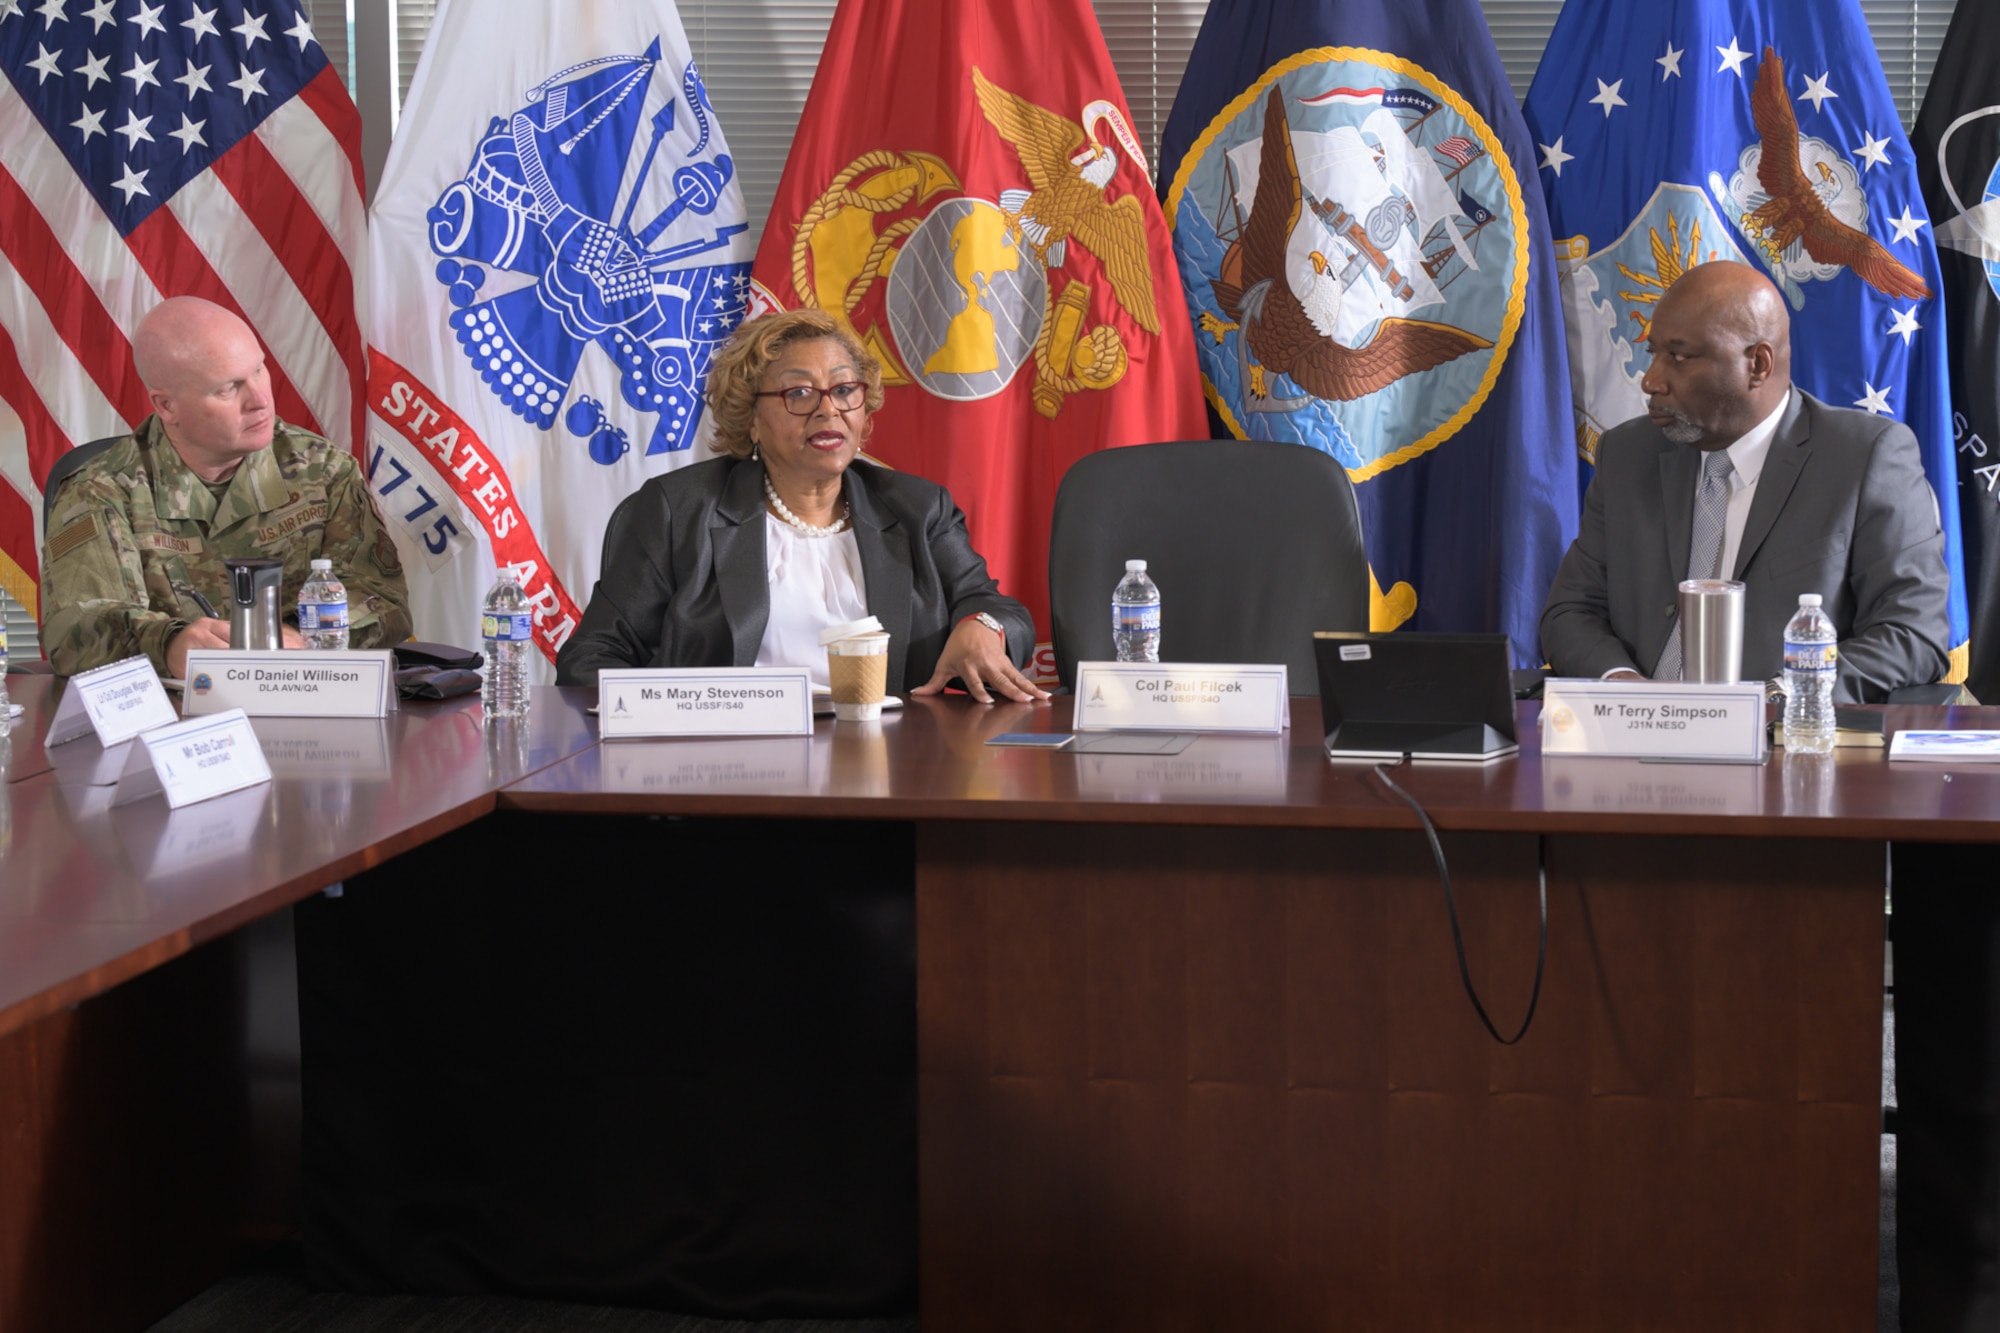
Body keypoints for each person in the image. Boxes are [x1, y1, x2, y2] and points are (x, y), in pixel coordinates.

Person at [556, 308, 1046, 703]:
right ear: (750, 418)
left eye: (843, 390)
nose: (827, 409)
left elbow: (999, 608)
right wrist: (683, 715)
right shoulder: (678, 511)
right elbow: (592, 658)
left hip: (895, 770)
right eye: (799, 393)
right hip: (726, 770)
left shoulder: (918, 508)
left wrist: (982, 627)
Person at [1540, 261, 1951, 703]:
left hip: (1783, 749)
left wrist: (1775, 700)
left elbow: (1912, 635)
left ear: (1758, 364)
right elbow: (1570, 612)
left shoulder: (1864, 458)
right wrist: (1626, 689)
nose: (1651, 380)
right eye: (1653, 353)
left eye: (1678, 356)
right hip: (1633, 742)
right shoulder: (1627, 454)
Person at [40, 297, 411, 678]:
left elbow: (385, 602)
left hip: (304, 697)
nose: (261, 400)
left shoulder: (324, 472)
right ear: (167, 406)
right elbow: (71, 631)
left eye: (259, 370)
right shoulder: (101, 491)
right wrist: (166, 644)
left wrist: (302, 639)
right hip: (169, 719)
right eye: (229, 388)